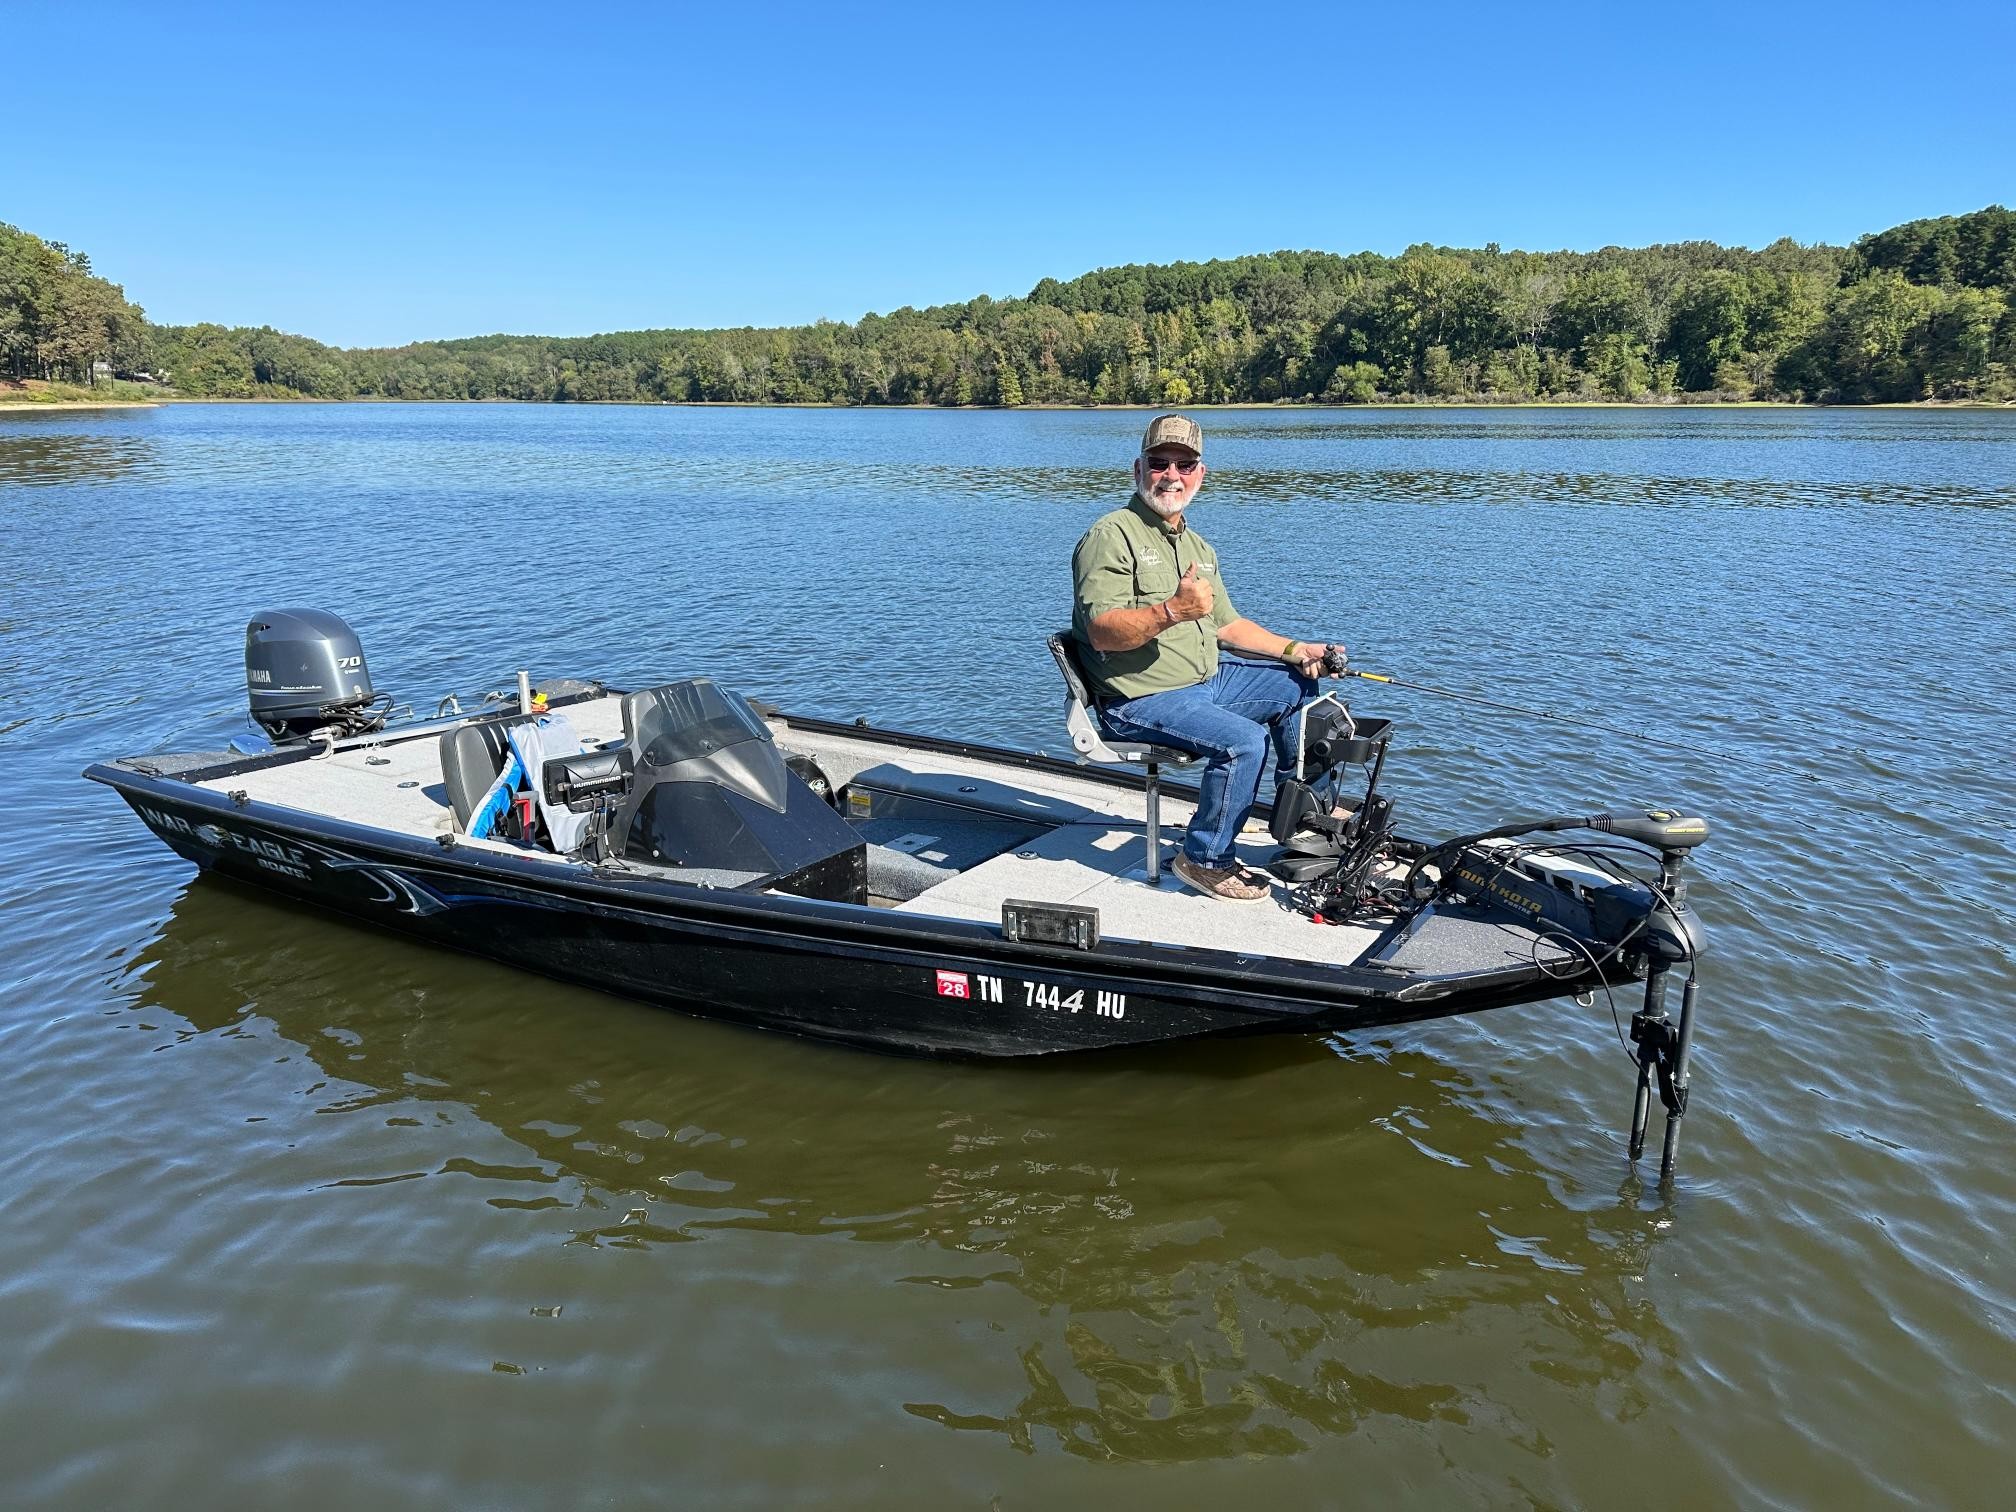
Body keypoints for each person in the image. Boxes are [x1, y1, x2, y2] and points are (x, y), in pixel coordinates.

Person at [1070, 414, 1342, 901]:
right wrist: (1172, 611)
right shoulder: (1111, 535)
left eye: (1184, 465)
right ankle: (1204, 859)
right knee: (1243, 742)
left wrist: (1296, 650)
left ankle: (1304, 819)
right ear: (1138, 469)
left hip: (1205, 683)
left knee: (1299, 688)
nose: (1171, 476)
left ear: (1200, 474)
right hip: (1139, 699)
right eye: (1159, 463)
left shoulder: (1198, 547)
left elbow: (1227, 626)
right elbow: (1102, 632)